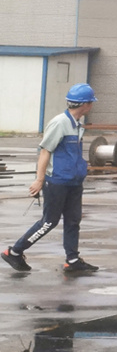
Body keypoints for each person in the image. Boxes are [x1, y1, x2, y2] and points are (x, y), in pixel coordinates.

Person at [2, 84, 100, 274]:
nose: (92, 105)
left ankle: (72, 260)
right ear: (85, 104)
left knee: (73, 221)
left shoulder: (76, 124)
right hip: (57, 182)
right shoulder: (59, 123)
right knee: (49, 222)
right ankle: (14, 252)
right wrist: (39, 180)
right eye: (91, 102)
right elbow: (45, 152)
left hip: (73, 182)